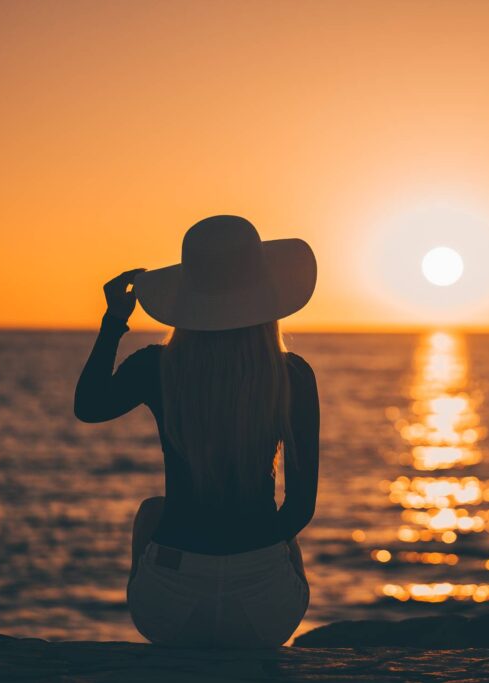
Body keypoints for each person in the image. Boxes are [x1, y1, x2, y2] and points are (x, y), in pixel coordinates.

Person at [74, 215, 319, 648]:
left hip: (170, 607)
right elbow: (299, 506)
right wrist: (251, 554)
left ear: (189, 297)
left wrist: (114, 320)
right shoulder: (292, 376)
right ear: (265, 296)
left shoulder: (158, 366)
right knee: (286, 541)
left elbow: (89, 407)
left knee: (152, 511)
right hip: (263, 612)